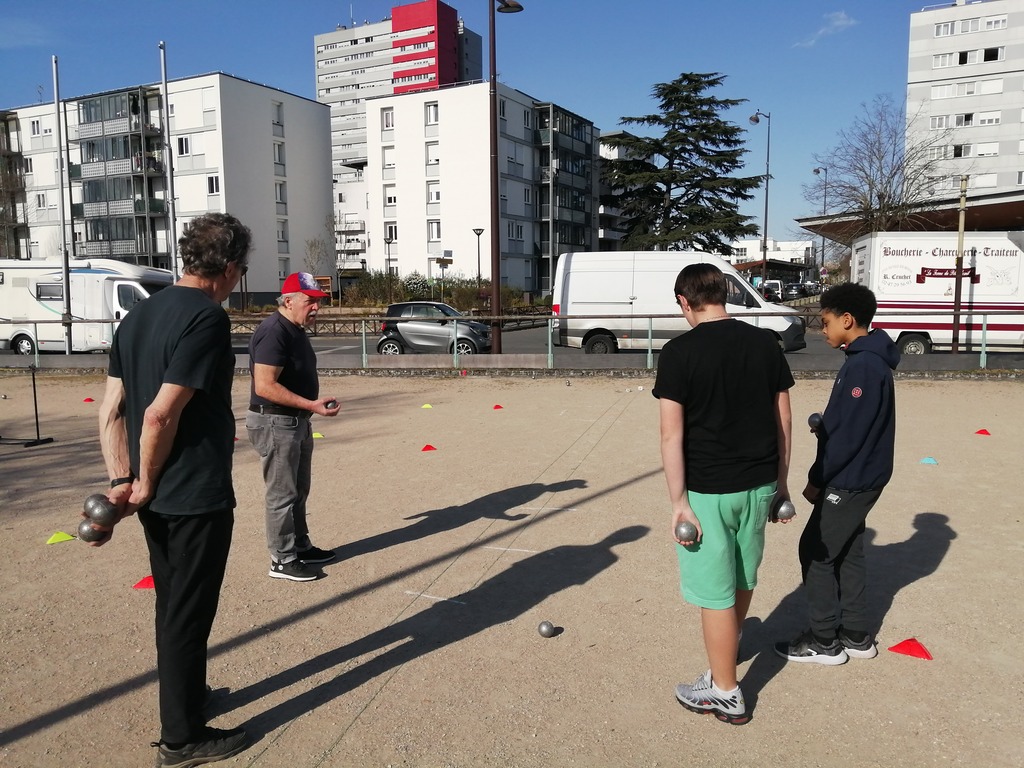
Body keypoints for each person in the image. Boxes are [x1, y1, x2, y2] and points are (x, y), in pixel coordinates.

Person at [95, 213, 253, 766]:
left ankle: (188, 697)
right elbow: (159, 416)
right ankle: (182, 739)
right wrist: (144, 482)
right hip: (192, 495)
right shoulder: (207, 321)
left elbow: (111, 410)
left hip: (157, 496)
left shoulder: (138, 317)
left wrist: (124, 480)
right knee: (186, 613)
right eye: (242, 272)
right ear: (229, 268)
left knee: (174, 605)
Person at [653, 262, 793, 725]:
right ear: (724, 294)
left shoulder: (677, 352)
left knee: (715, 591)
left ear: (684, 302)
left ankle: (726, 690)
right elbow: (783, 420)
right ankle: (722, 669)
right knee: (742, 576)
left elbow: (671, 436)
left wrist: (678, 504)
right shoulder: (764, 342)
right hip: (758, 483)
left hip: (709, 489)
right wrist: (782, 483)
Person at [775, 282, 898, 665]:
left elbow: (850, 436)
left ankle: (824, 639)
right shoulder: (865, 358)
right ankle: (857, 634)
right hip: (863, 475)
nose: (822, 329)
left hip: (851, 478)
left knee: (815, 551)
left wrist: (816, 478)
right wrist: (826, 427)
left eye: (826, 322)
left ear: (848, 319)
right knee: (848, 550)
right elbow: (851, 424)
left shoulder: (863, 365)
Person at [247, 272, 341, 582]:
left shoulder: (295, 329)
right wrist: (310, 405)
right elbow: (264, 385)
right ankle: (281, 559)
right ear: (288, 301)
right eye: (310, 301)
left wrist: (307, 409)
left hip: (295, 421)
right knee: (282, 493)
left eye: (318, 302)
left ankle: (300, 546)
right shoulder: (275, 332)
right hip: (276, 421)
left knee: (299, 490)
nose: (316, 308)